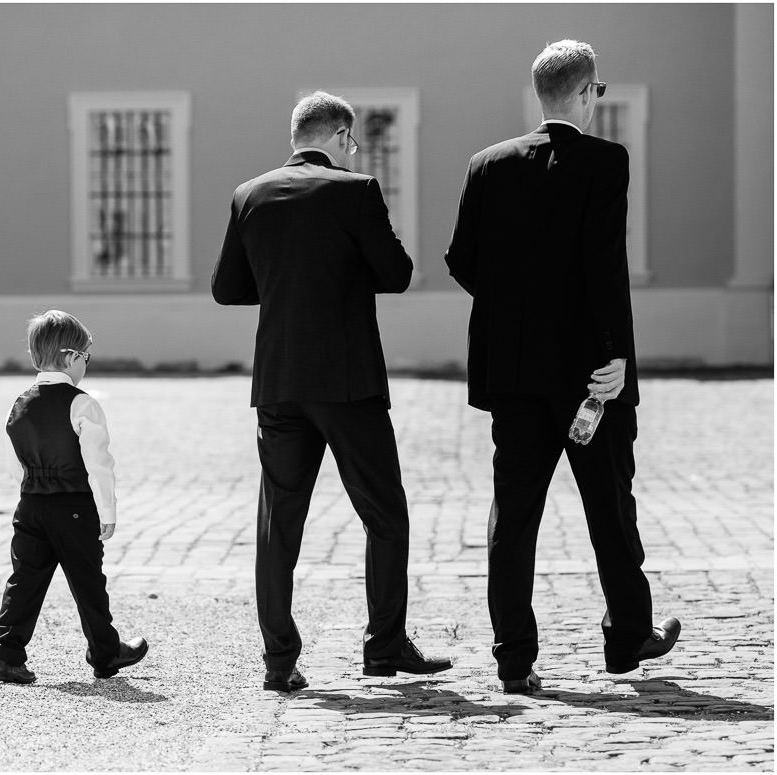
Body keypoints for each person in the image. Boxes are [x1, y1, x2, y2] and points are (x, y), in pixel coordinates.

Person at [445, 40, 680, 696]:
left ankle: (514, 658)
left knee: (513, 515)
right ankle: (628, 635)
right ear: (584, 93)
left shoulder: (485, 166)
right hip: (586, 377)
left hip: (514, 374)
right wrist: (614, 357)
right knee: (609, 503)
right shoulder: (605, 162)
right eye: (598, 93)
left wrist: (516, 312)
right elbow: (603, 264)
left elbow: (462, 260)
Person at [212, 90, 451, 692]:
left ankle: (279, 661)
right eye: (353, 142)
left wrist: (285, 280)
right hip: (347, 381)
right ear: (342, 137)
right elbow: (396, 274)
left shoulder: (249, 194)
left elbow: (227, 289)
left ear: (296, 137)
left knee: (279, 524)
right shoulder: (356, 191)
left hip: (280, 381)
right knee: (384, 512)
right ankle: (384, 645)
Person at [0, 310, 147, 684]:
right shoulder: (83, 404)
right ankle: (105, 654)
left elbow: (14, 462)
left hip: (30, 504)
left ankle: (6, 656)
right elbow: (99, 464)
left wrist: (30, 492)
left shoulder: (19, 403)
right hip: (74, 505)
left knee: (24, 581)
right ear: (71, 357)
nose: (86, 365)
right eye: (86, 357)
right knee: (87, 581)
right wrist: (107, 509)